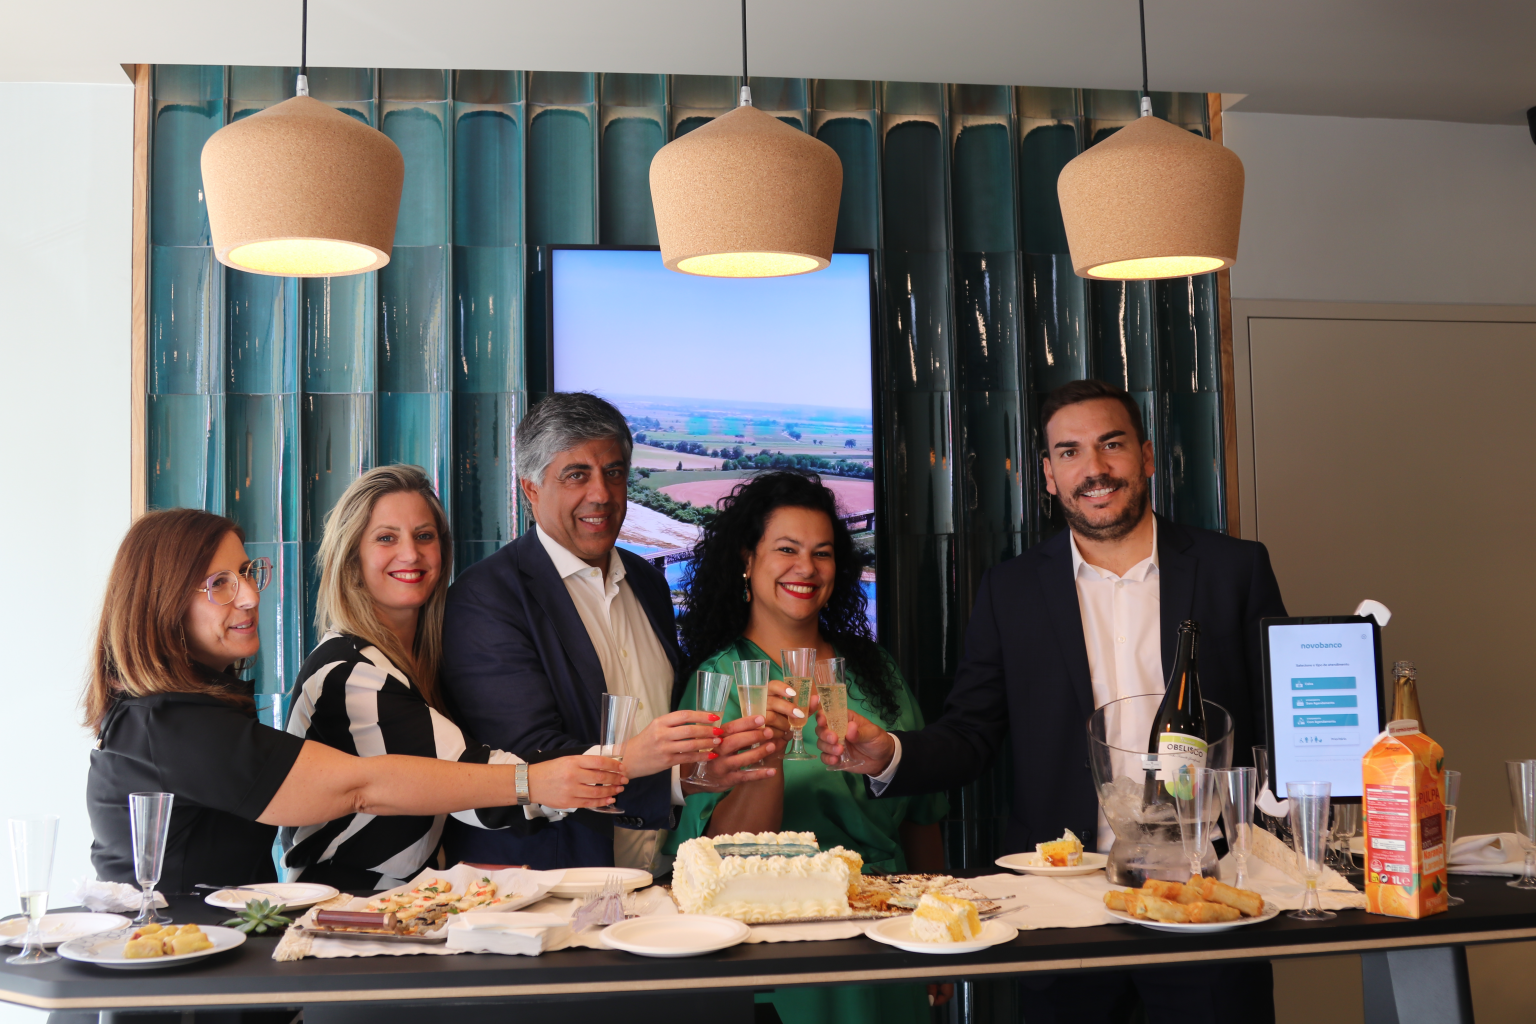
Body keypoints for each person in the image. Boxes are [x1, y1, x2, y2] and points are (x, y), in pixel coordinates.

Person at [815, 378, 1288, 1024]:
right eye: (1070, 452)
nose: (1094, 469)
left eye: (1111, 445)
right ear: (1047, 474)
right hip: (1063, 907)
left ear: (1147, 456)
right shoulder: (1010, 591)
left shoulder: (1236, 569)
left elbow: (1278, 730)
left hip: (1209, 898)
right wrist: (889, 754)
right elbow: (971, 734)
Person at [84, 508, 627, 893]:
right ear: (161, 601)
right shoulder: (171, 723)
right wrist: (533, 781)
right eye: (219, 583)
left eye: (247, 573)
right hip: (172, 981)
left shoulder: (178, 714)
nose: (249, 596)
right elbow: (360, 787)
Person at [441, 392, 769, 872]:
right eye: (576, 475)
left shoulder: (648, 581)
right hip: (549, 886)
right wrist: (670, 777)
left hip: (655, 881)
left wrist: (704, 767)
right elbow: (529, 759)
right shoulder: (484, 598)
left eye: (614, 472)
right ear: (531, 489)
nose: (602, 494)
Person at [668, 471, 947, 1024]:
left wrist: (935, 927)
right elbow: (716, 854)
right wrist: (768, 759)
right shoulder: (717, 683)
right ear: (747, 560)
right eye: (787, 549)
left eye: (822, 553)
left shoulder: (875, 669)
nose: (806, 568)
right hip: (781, 941)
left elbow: (922, 814)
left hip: (889, 928)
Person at [281, 465, 625, 890]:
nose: (411, 554)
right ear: (351, 558)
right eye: (386, 538)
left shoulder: (420, 660)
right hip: (344, 909)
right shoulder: (351, 673)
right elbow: (471, 784)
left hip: (406, 903)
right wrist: (624, 764)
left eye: (424, 536)